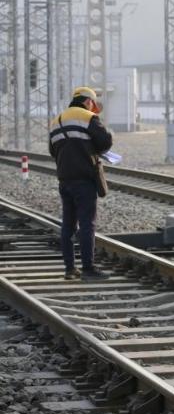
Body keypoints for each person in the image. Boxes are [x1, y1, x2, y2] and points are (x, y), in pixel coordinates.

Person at [48, 86, 113, 280]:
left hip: (64, 179)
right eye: (93, 104)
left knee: (68, 225)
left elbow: (53, 151)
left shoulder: (56, 121)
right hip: (84, 180)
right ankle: (88, 269)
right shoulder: (87, 117)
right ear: (88, 101)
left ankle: (70, 269)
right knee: (87, 224)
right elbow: (105, 142)